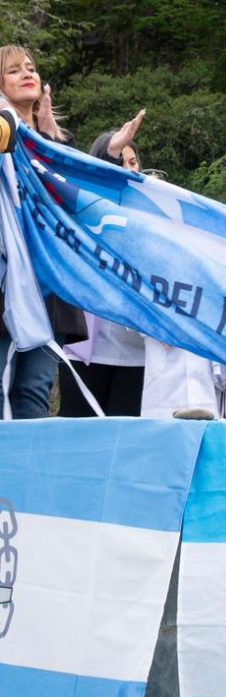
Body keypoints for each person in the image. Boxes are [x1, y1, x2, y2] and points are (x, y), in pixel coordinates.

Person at [0, 45, 87, 418]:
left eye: (31, 67)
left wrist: (58, 142)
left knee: (34, 390)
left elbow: (79, 201)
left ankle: (25, 477)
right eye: (14, 70)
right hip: (6, 282)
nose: (27, 73)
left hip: (47, 286)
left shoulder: (55, 145)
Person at [59, 119, 147, 417]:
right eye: (119, 161)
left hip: (137, 352)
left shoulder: (154, 220)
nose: (128, 169)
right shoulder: (80, 209)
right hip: (85, 349)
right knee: (78, 439)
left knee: (125, 444)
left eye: (133, 162)